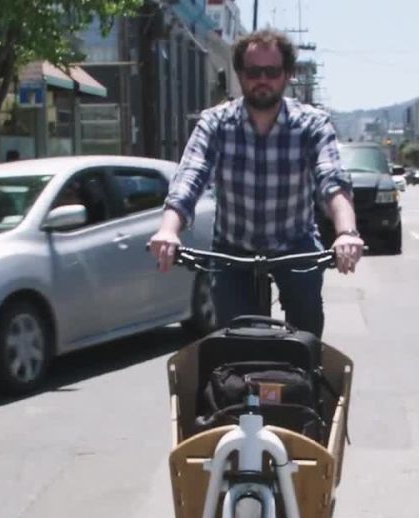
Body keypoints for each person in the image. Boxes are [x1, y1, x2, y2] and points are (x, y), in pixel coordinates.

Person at [148, 29, 363, 339]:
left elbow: (331, 179)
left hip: (295, 245)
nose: (262, 79)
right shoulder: (216, 122)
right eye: (253, 72)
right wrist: (169, 230)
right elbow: (189, 178)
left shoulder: (312, 123)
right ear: (240, 74)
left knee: (306, 340)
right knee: (236, 346)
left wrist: (346, 232)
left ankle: (310, 383)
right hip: (234, 248)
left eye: (272, 71)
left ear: (287, 75)